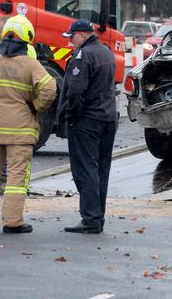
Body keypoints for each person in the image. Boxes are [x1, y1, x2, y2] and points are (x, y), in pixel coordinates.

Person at [0, 15, 57, 233]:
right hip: (20, 130)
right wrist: (36, 105)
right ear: (27, 38)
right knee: (16, 177)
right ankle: (12, 222)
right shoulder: (30, 64)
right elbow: (50, 89)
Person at [56, 19, 117, 234]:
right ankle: (97, 217)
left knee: (86, 169)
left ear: (81, 35)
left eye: (71, 37)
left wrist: (70, 114)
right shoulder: (106, 52)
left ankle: (90, 218)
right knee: (101, 169)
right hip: (108, 118)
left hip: (87, 120)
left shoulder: (83, 56)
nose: (70, 42)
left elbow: (75, 91)